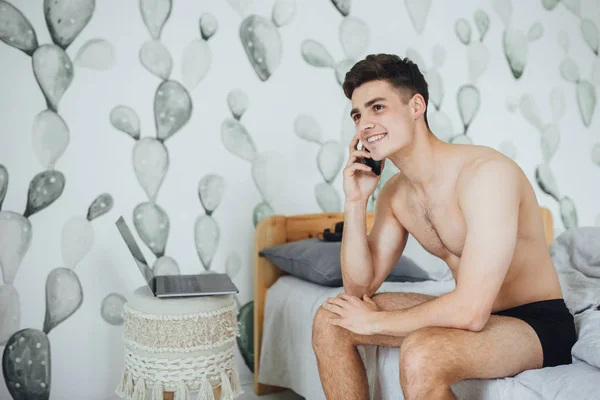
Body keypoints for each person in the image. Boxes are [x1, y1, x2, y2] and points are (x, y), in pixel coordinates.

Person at [311, 54, 577, 400]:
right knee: (331, 320)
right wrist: (356, 202)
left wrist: (374, 322)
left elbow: (470, 311)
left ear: (416, 106)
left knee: (423, 352)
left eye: (377, 108)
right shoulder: (395, 194)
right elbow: (359, 286)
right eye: (357, 115)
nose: (364, 125)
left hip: (535, 324)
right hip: (472, 316)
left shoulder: (485, 175)